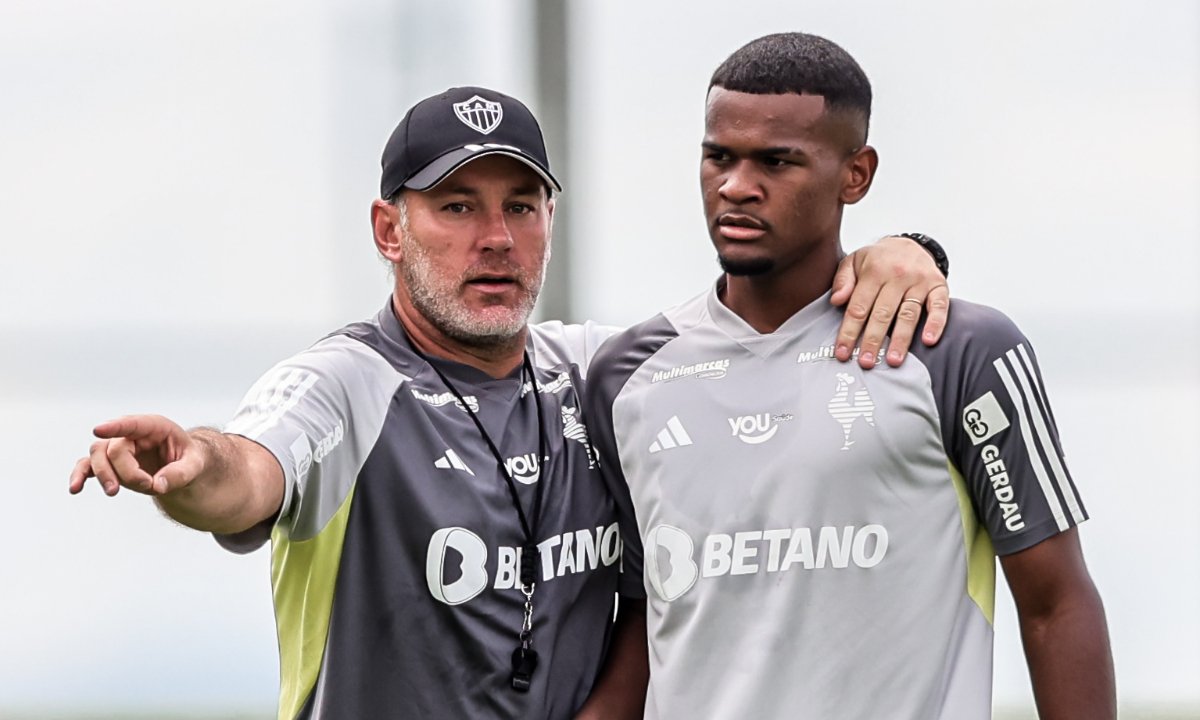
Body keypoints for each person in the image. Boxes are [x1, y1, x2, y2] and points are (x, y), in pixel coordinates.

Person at [68, 85, 950, 719]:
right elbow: (249, 472)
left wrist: (905, 249)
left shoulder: (604, 371)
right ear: (389, 230)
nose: (495, 240)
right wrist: (191, 465)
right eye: (456, 206)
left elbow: (758, 336)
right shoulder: (346, 382)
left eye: (521, 207)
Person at [583, 33, 1116, 720]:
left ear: (855, 175)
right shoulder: (625, 377)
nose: (737, 186)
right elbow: (639, 628)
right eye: (719, 156)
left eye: (777, 161)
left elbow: (1056, 604)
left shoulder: (956, 352)